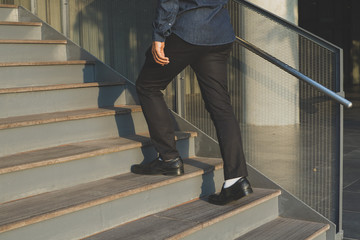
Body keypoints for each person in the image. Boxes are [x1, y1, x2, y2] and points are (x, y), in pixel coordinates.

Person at [131, 0, 253, 205]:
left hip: (188, 32)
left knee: (148, 86)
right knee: (221, 106)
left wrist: (159, 35)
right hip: (219, 32)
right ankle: (236, 179)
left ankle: (169, 159)